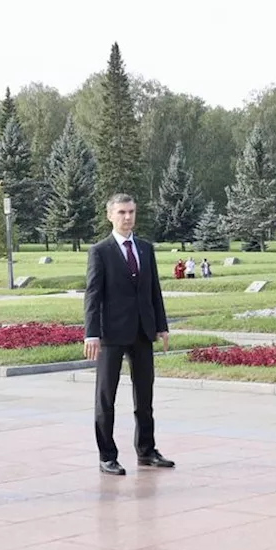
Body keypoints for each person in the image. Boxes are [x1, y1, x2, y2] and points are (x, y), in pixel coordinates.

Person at [84, 194, 174, 476]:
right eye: (121, 212)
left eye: (131, 212)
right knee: (106, 398)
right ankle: (107, 455)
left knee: (144, 397)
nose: (127, 217)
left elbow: (153, 290)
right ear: (110, 215)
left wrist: (161, 325)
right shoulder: (100, 251)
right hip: (111, 334)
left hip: (142, 332)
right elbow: (93, 295)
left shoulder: (146, 249)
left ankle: (146, 450)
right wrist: (91, 334)